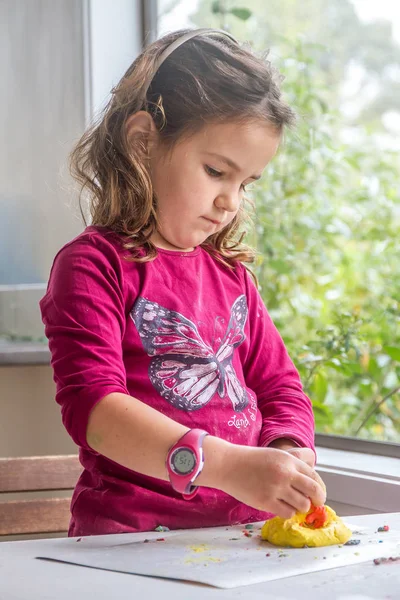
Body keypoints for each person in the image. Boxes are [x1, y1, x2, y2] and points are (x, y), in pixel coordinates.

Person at [40, 28, 326, 537]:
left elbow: (281, 387)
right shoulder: (93, 266)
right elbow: (98, 412)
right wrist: (231, 466)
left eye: (245, 183)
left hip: (237, 541)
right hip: (130, 544)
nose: (231, 201)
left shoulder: (232, 277)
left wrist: (286, 453)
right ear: (144, 141)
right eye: (217, 171)